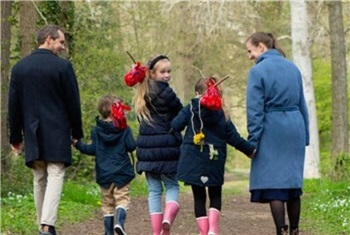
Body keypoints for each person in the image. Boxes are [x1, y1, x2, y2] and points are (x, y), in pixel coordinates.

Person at [8, 24, 83, 235]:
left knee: (39, 177)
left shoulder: (19, 68)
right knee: (56, 173)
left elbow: (13, 107)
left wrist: (15, 137)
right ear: (48, 39)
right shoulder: (63, 68)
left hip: (32, 131)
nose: (62, 47)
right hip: (57, 130)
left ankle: (43, 225)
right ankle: (47, 225)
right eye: (60, 42)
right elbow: (73, 103)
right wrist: (76, 132)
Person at [171, 76, 256, 235]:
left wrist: (192, 105)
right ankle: (213, 231)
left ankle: (204, 232)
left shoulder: (190, 108)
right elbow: (234, 138)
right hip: (214, 158)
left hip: (193, 158)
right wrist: (250, 150)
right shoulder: (221, 113)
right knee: (215, 194)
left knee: (199, 197)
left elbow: (175, 126)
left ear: (197, 92)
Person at [245, 32, 309, 235]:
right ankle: (295, 230)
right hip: (295, 127)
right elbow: (302, 104)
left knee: (274, 184)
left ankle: (281, 230)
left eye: (250, 50)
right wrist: (305, 134)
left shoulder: (258, 72)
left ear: (261, 47)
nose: (249, 56)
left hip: (272, 128)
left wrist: (252, 141)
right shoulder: (293, 68)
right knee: (291, 183)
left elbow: (255, 110)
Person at [132, 54, 183, 235]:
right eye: (163, 72)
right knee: (172, 186)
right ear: (152, 73)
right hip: (168, 146)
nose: (167, 75)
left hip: (146, 149)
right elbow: (181, 112)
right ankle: (168, 218)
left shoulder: (142, 93)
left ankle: (156, 231)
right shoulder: (167, 93)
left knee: (154, 190)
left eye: (169, 71)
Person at [73, 95, 136, 235]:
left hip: (104, 174)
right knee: (122, 200)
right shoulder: (124, 129)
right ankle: (119, 223)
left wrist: (77, 144)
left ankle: (108, 232)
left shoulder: (96, 131)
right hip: (122, 172)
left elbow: (91, 150)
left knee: (107, 204)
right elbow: (131, 146)